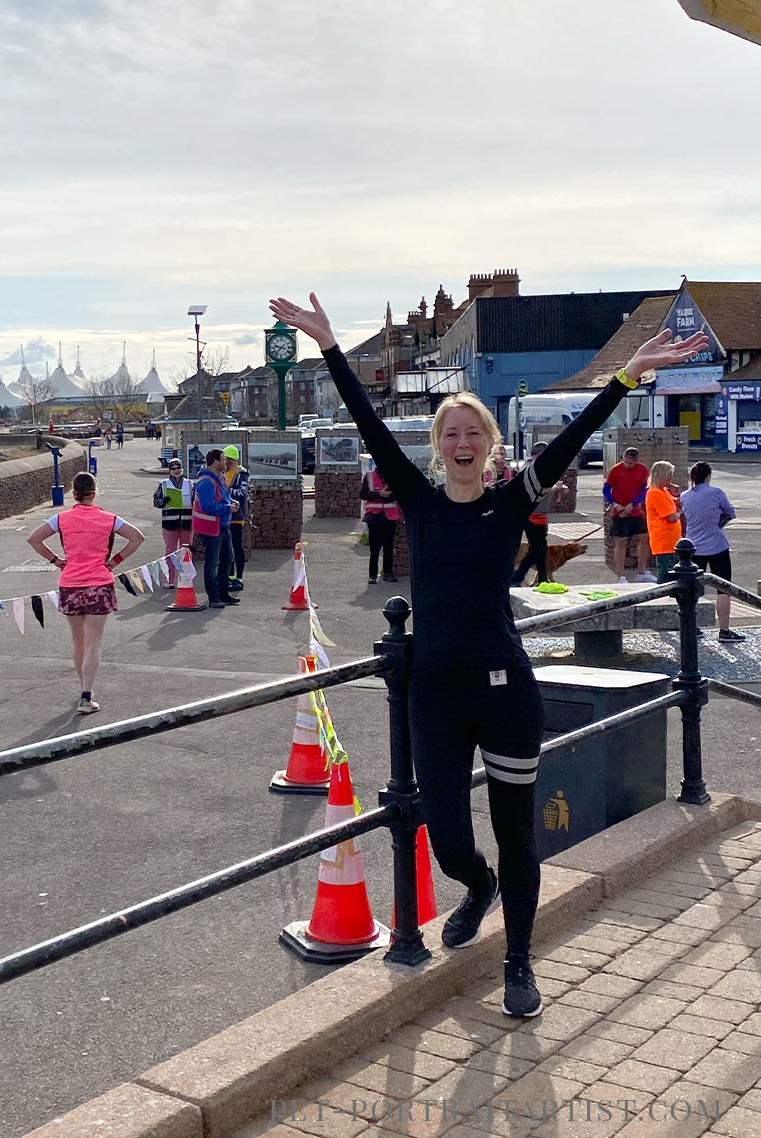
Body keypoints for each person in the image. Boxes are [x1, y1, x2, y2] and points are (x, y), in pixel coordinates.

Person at [269, 290, 707, 1019]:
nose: (463, 441)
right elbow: (370, 425)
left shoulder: (510, 502)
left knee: (516, 832)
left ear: (490, 446)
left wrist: (628, 375)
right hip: (436, 694)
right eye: (451, 434)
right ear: (440, 448)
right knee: (445, 837)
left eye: (474, 432)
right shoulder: (420, 500)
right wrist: (331, 349)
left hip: (506, 691)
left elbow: (572, 439)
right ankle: (477, 887)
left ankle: (518, 961)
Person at [26, 472, 144, 713]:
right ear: (94, 492)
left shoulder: (61, 519)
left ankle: (83, 688)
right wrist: (115, 561)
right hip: (99, 583)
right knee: (93, 644)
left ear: (74, 494)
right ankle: (86, 695)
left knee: (78, 642)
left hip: (70, 584)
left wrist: (56, 560)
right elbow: (136, 537)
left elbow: (34, 539)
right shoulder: (109, 519)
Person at [680, 461, 744, 642]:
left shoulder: (684, 496)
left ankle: (693, 627)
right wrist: (718, 524)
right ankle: (724, 630)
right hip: (717, 545)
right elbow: (730, 512)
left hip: (693, 547)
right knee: (723, 589)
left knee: (693, 589)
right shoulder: (716, 493)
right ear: (708, 476)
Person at [511, 442, 566, 587]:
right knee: (538, 547)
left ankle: (540, 577)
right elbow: (537, 488)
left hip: (541, 514)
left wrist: (558, 489)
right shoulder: (529, 469)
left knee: (540, 548)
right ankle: (521, 577)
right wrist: (555, 488)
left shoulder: (543, 468)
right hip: (530, 514)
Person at [192, 449, 240, 610]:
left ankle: (223, 593)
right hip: (212, 527)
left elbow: (222, 498)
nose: (226, 462)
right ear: (215, 461)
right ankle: (214, 597)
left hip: (222, 525)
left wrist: (231, 502)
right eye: (223, 459)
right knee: (212, 563)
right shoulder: (206, 481)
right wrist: (228, 508)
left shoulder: (218, 478)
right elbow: (207, 506)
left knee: (227, 559)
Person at [605, 447, 655, 584]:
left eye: (631, 463)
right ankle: (621, 576)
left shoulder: (643, 469)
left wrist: (633, 504)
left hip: (635, 510)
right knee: (621, 542)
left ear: (637, 461)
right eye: (626, 462)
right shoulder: (616, 470)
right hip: (619, 510)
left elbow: (644, 490)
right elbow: (606, 489)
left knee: (644, 538)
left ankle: (642, 571)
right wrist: (615, 504)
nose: (627, 465)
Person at [153, 457, 194, 587]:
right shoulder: (163, 484)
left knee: (186, 551)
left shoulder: (190, 484)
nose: (176, 470)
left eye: (178, 468)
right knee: (170, 552)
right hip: (170, 524)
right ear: (169, 471)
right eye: (173, 468)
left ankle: (186, 578)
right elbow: (156, 501)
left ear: (182, 469)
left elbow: (195, 502)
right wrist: (163, 501)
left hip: (187, 523)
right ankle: (168, 580)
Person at [360, 462, 399, 584]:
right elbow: (363, 494)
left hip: (390, 516)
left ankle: (388, 573)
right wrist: (379, 494)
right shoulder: (369, 476)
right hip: (374, 517)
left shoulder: (394, 477)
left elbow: (399, 494)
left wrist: (388, 495)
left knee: (388, 547)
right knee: (374, 548)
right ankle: (372, 576)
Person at [645, 461, 683, 585]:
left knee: (672, 575)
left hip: (670, 540)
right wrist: (679, 513)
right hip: (665, 542)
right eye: (669, 475)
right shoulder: (656, 493)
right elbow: (671, 517)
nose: (671, 478)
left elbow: (674, 502)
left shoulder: (663, 491)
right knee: (667, 577)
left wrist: (676, 495)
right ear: (661, 476)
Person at [222, 444, 250, 591]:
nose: (224, 463)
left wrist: (225, 490)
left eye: (226, 460)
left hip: (237, 517)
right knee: (227, 549)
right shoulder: (223, 474)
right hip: (225, 516)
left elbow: (242, 493)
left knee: (237, 546)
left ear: (231, 459)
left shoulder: (241, 473)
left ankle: (239, 578)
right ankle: (230, 576)